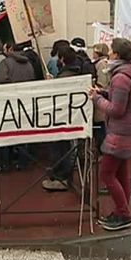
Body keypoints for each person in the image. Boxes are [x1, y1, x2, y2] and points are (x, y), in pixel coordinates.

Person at [90, 38, 131, 231]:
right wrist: (104, 93)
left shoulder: (120, 78)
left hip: (119, 134)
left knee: (106, 174)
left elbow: (116, 110)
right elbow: (119, 99)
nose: (109, 54)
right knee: (122, 174)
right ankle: (122, 211)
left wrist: (97, 99)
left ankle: (124, 213)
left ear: (118, 55)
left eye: (112, 51)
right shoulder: (129, 73)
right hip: (128, 132)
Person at [42, 46, 82, 190]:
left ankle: (61, 178)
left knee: (59, 149)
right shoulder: (74, 73)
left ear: (62, 59)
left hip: (61, 118)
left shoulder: (65, 77)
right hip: (69, 117)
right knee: (65, 148)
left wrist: (50, 85)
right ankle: (64, 176)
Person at [0, 42, 36, 172]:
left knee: (5, 134)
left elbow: (2, 81)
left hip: (9, 104)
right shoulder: (29, 64)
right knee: (24, 134)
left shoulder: (5, 63)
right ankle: (23, 162)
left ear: (10, 49)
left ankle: (4, 164)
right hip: (26, 104)